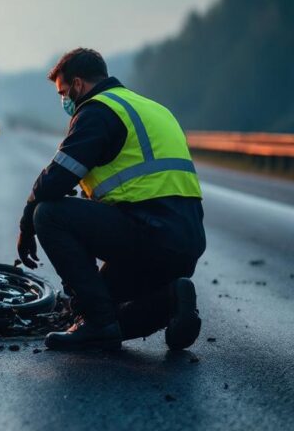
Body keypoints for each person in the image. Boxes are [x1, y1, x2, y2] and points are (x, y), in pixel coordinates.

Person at [16, 48, 205, 351]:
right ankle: (171, 299)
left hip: (148, 232)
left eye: (63, 93)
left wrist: (27, 224)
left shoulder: (97, 111)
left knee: (48, 214)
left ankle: (97, 323)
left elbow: (55, 180)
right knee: (104, 305)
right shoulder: (152, 107)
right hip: (185, 243)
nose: (64, 101)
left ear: (78, 85)